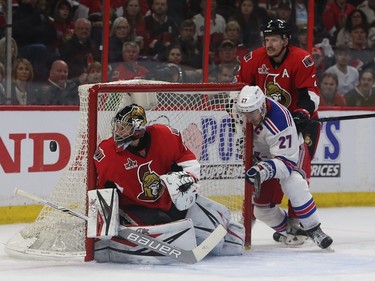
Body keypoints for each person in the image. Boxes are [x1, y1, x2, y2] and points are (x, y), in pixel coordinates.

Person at [92, 103, 245, 263]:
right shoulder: (106, 153)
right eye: (118, 127)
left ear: (138, 129)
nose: (118, 131)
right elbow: (103, 190)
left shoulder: (165, 135)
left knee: (230, 243)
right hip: (135, 207)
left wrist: (187, 178)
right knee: (103, 250)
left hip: (167, 201)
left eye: (124, 128)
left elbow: (189, 162)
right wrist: (104, 224)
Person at [234, 19, 321, 244]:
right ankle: (274, 220)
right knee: (262, 171)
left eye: (274, 39)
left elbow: (310, 94)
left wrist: (301, 114)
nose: (269, 44)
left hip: (301, 123)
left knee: (298, 173)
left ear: (286, 40)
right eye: (267, 39)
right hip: (263, 124)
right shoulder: (253, 59)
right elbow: (237, 91)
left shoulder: (302, 59)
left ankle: (296, 221)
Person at [235, 85, 333, 250]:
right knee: (261, 211)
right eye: (245, 113)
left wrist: (262, 170)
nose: (248, 118)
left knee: (294, 183)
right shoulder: (242, 113)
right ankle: (290, 231)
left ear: (263, 107)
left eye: (252, 113)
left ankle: (314, 229)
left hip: (288, 156)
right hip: (262, 158)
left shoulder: (280, 120)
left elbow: (286, 164)